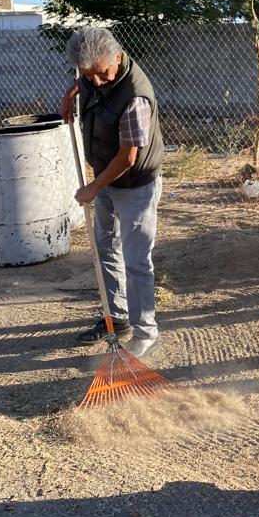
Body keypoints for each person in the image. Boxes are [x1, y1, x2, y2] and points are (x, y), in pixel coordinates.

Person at [59, 28, 165, 357]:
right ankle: (117, 319)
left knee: (136, 261)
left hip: (134, 185)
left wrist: (93, 187)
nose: (97, 82)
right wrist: (71, 92)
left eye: (101, 73)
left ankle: (146, 332)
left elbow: (127, 158)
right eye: (88, 75)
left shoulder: (135, 97)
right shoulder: (93, 75)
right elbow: (89, 79)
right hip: (105, 178)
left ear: (117, 57)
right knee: (104, 247)